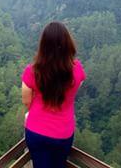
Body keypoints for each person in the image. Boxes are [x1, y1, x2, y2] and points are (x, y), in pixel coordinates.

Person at [21, 21, 86, 168]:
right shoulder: (77, 70)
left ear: (43, 45)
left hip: (37, 130)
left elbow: (26, 101)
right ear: (68, 43)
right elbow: (78, 85)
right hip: (63, 132)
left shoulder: (32, 72)